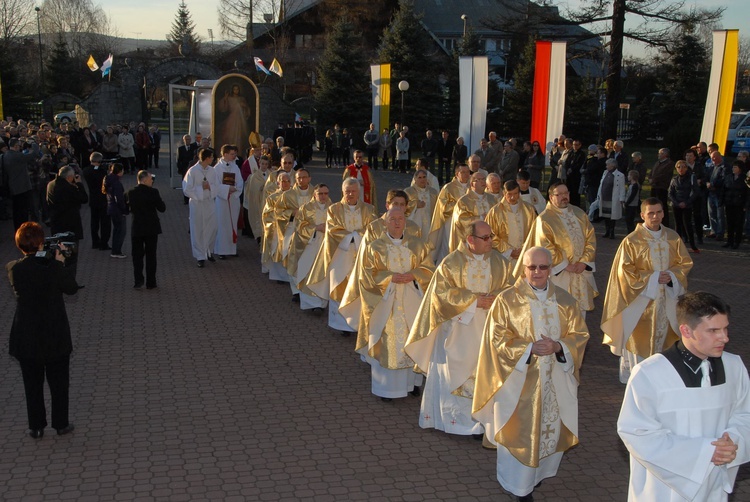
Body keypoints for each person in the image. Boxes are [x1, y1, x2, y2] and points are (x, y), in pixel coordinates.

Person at [472, 246, 589, 502]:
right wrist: (529, 348)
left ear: (550, 268)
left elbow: (579, 335)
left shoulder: (566, 300)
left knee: (548, 431)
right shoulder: (507, 300)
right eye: (531, 267)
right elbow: (496, 340)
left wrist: (559, 346)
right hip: (519, 382)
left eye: (543, 267)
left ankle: (536, 478)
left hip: (554, 381)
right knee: (520, 433)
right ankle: (517, 486)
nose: (537, 272)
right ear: (523, 269)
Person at [617, 292, 750, 501]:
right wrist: (704, 453)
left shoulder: (734, 367)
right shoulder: (650, 373)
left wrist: (732, 443)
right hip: (663, 489)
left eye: (725, 328)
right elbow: (637, 432)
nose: (724, 338)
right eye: (713, 330)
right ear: (686, 330)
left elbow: (744, 415)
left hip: (714, 484)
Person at [405, 221, 513, 435]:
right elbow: (441, 295)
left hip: (489, 327)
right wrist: (473, 301)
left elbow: (511, 288)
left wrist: (496, 298)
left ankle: (483, 423)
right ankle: (456, 423)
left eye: (491, 236)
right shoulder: (451, 263)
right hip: (458, 328)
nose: (491, 240)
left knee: (485, 372)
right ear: (470, 240)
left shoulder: (500, 261)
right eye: (485, 237)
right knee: (456, 375)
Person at [601, 197, 693, 383]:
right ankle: (639, 381)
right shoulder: (632, 241)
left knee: (667, 339)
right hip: (641, 303)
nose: (655, 216)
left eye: (659, 212)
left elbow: (684, 263)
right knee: (639, 343)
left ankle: (663, 380)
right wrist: (652, 278)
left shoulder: (673, 237)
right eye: (651, 213)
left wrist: (672, 275)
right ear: (643, 215)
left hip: (666, 300)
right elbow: (624, 271)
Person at [352, 207, 434, 401]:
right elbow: (367, 276)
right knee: (389, 340)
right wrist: (390, 278)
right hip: (386, 302)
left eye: (401, 219)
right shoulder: (375, 247)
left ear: (406, 222)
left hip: (412, 298)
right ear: (385, 223)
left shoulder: (418, 244)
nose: (397, 222)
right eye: (393, 219)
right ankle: (386, 390)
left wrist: (414, 275)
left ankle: (412, 382)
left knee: (412, 337)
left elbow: (430, 269)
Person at [7, 222, 79, 439]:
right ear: (40, 243)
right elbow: (71, 288)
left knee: (32, 384)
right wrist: (62, 261)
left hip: (26, 334)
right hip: (54, 332)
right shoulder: (53, 268)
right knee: (59, 382)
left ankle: (36, 426)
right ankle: (61, 423)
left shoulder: (14, 269)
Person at [304, 178, 377, 334]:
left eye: (353, 191)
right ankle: (341, 324)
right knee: (340, 287)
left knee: (359, 287)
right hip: (340, 255)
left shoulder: (369, 209)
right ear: (342, 192)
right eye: (347, 191)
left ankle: (357, 322)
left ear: (359, 192)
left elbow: (373, 230)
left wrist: (355, 238)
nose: (350, 194)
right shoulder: (334, 209)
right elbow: (332, 230)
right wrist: (355, 237)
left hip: (361, 255)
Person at [515, 182, 597, 318]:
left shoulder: (579, 213)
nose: (564, 197)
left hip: (580, 271)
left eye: (566, 193)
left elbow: (591, 239)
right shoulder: (545, 219)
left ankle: (578, 338)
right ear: (551, 197)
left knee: (580, 312)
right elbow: (545, 246)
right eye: (559, 194)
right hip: (559, 274)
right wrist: (566, 265)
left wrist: (584, 261)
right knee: (559, 312)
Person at [287, 183, 331, 313]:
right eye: (320, 194)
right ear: (314, 195)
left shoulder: (333, 209)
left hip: (326, 246)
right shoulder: (306, 208)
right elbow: (299, 226)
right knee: (308, 272)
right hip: (310, 245)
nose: (323, 197)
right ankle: (310, 303)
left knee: (323, 273)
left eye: (325, 194)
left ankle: (321, 303)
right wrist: (316, 228)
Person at [126, 170, 166, 289]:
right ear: (144, 180)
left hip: (137, 227)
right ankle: (151, 282)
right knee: (151, 255)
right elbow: (162, 208)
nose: (152, 181)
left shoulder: (130, 192)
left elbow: (126, 207)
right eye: (150, 179)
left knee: (137, 255)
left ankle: (138, 280)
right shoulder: (153, 192)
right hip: (151, 228)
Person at [46, 165, 88, 277]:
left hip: (56, 223)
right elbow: (84, 198)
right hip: (70, 225)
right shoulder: (69, 188)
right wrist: (79, 184)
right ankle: (69, 281)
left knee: (58, 252)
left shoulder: (50, 184)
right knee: (71, 255)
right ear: (69, 177)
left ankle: (58, 278)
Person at [485, 180, 537, 267]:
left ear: (519, 193)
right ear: (504, 193)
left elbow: (535, 230)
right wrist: (509, 251)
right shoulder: (495, 212)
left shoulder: (529, 209)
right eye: (509, 194)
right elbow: (490, 234)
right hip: (504, 256)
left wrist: (524, 248)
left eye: (515, 194)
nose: (512, 197)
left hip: (525, 253)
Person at [183, 148, 219, 267]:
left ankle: (208, 251)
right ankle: (200, 256)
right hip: (197, 204)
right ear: (206, 158)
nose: (213, 159)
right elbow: (187, 189)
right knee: (198, 229)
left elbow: (216, 186)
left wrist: (210, 187)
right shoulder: (192, 171)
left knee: (212, 227)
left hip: (209, 203)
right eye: (211, 157)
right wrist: (201, 189)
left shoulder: (212, 171)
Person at [428, 163, 470, 263]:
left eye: (468, 172)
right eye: (463, 172)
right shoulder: (448, 188)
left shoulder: (472, 186)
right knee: (449, 246)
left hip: (468, 222)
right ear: (456, 174)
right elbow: (443, 207)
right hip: (451, 222)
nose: (466, 174)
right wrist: (459, 206)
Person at [448, 171, 494, 253]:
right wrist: (480, 218)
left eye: (484, 179)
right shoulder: (463, 201)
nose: (483, 181)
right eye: (479, 179)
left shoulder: (492, 199)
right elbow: (461, 219)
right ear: (472, 184)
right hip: (472, 242)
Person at [213, 144, 244, 259]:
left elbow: (240, 181)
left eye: (234, 154)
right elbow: (215, 185)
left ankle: (232, 249)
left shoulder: (235, 167)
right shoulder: (217, 168)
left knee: (232, 223)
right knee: (222, 224)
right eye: (232, 154)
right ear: (225, 154)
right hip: (222, 201)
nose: (234, 156)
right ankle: (221, 250)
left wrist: (235, 189)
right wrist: (227, 189)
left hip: (233, 199)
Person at [668, 159, 700, 252]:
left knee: (687, 224)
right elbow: (670, 193)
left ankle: (693, 245)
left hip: (687, 204)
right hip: (676, 204)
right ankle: (677, 245)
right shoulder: (674, 179)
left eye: (683, 167)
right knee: (678, 224)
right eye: (679, 167)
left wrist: (686, 202)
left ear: (686, 168)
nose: (681, 169)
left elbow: (696, 191)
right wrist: (677, 203)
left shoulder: (691, 177)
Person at [82, 152, 111, 250]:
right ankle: (104, 243)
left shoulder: (86, 170)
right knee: (105, 223)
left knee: (94, 222)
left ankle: (95, 242)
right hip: (103, 200)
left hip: (93, 199)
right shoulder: (102, 172)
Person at [722, 160, 748, 249]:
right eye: (733, 167)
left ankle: (737, 242)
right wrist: (722, 201)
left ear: (740, 169)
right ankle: (729, 241)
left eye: (735, 167)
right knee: (730, 223)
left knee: (738, 224)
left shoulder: (745, 179)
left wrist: (746, 205)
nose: (733, 169)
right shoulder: (728, 177)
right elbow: (724, 189)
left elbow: (747, 193)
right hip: (729, 203)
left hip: (739, 204)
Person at [244, 154, 271, 243]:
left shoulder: (271, 175)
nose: (264, 166)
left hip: (268, 203)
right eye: (262, 164)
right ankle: (259, 239)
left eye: (266, 164)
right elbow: (252, 190)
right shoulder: (254, 176)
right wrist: (261, 188)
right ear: (259, 164)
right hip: (258, 202)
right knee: (258, 220)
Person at [103, 163, 128, 259]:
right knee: (121, 231)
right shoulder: (116, 183)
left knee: (117, 229)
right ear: (120, 171)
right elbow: (119, 198)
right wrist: (124, 209)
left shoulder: (108, 179)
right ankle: (117, 250)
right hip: (117, 210)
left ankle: (115, 249)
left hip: (111, 207)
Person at [404, 169, 438, 238]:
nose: (422, 179)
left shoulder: (433, 192)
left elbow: (438, 208)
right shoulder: (408, 192)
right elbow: (403, 207)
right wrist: (415, 205)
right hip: (414, 223)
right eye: (419, 177)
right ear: (415, 179)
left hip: (429, 223)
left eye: (424, 177)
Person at [598, 158, 626, 239]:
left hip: (613, 198)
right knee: (606, 215)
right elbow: (601, 184)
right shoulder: (605, 173)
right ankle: (607, 231)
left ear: (613, 165)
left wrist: (622, 198)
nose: (606, 166)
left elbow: (622, 188)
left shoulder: (620, 175)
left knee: (612, 216)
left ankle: (612, 232)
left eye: (608, 164)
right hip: (604, 197)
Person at [218, 85, 251, 151]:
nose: (236, 91)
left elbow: (247, 110)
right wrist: (225, 98)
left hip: (240, 119)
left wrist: (244, 106)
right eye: (234, 89)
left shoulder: (242, 99)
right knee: (229, 135)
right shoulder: (229, 98)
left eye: (237, 89)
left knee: (239, 136)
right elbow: (224, 108)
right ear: (232, 90)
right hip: (232, 118)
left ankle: (239, 152)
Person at [649, 148, 674, 228]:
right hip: (654, 186)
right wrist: (650, 178)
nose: (658, 155)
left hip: (662, 187)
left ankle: (664, 223)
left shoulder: (669, 164)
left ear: (665, 154)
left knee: (662, 204)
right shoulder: (657, 163)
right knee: (653, 203)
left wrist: (654, 179)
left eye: (660, 153)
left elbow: (664, 175)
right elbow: (652, 171)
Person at [623, 169, 641, 234]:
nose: (628, 177)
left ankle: (631, 233)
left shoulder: (635, 186)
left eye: (629, 175)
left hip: (632, 205)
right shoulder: (631, 185)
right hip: (629, 205)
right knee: (628, 220)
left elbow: (632, 196)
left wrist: (627, 203)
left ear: (632, 176)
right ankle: (630, 232)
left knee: (630, 220)